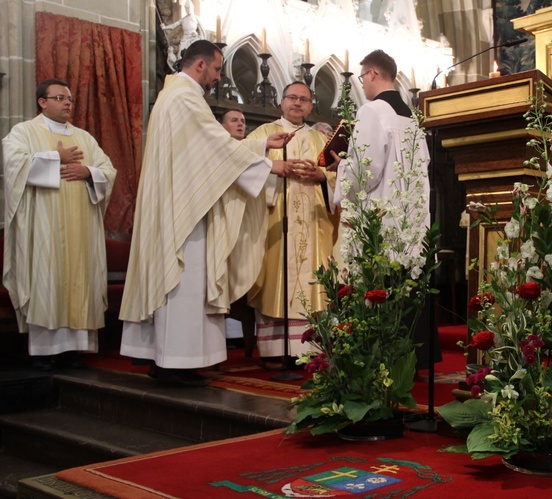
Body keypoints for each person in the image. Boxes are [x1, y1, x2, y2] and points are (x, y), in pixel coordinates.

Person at [119, 40, 290, 386]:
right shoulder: (184, 98)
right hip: (186, 209)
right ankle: (176, 364)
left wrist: (259, 146)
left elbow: (209, 143)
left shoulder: (171, 96)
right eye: (215, 69)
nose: (216, 77)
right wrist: (268, 165)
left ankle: (161, 359)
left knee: (177, 283)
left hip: (175, 199)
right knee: (185, 279)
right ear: (200, 65)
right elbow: (213, 145)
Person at [330, 49, 440, 370]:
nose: (362, 85)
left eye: (362, 77)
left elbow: (368, 169)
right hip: (413, 219)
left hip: (385, 222)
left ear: (374, 74)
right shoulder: (411, 116)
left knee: (383, 286)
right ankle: (413, 360)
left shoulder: (371, 111)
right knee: (408, 286)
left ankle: (383, 361)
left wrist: (342, 168)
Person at [2, 78, 117, 370]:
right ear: (42, 102)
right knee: (47, 281)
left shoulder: (84, 137)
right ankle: (43, 352)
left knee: (79, 281)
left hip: (81, 229)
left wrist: (87, 171)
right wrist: (56, 157)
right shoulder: (24, 132)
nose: (68, 103)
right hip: (44, 227)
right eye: (60, 98)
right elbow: (13, 164)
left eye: (70, 99)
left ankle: (71, 352)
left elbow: (108, 170)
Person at [247, 82, 337, 370]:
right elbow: (242, 165)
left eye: (304, 100)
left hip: (314, 222)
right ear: (281, 101)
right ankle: (275, 351)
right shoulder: (264, 134)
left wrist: (321, 176)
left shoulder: (320, 140)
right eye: (292, 98)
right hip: (275, 219)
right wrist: (276, 171)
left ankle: (309, 350)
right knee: (275, 279)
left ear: (311, 106)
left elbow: (339, 175)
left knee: (313, 281)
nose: (297, 103)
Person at [161, 0, 206, 71]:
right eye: (186, 8)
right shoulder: (183, 19)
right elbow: (173, 26)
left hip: (193, 39)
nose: (188, 10)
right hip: (185, 39)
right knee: (180, 56)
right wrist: (164, 27)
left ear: (192, 8)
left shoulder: (196, 18)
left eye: (189, 8)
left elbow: (202, 31)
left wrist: (200, 37)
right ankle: (181, 70)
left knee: (194, 56)